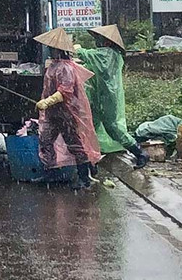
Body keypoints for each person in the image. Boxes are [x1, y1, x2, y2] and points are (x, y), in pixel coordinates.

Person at [34, 27, 102, 190]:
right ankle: (50, 174)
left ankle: (85, 178)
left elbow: (66, 90)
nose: (50, 51)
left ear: (59, 49)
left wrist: (48, 101)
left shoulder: (66, 68)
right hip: (53, 113)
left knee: (74, 144)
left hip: (67, 113)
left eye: (52, 48)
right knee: (45, 140)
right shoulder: (53, 66)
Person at [76, 25, 149, 168]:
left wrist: (79, 50)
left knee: (113, 128)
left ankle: (139, 152)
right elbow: (90, 66)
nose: (97, 41)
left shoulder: (108, 54)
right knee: (91, 127)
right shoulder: (105, 54)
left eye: (99, 39)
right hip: (99, 97)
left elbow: (93, 58)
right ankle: (91, 161)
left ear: (107, 41)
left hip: (108, 97)